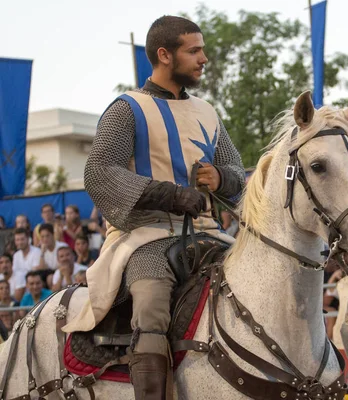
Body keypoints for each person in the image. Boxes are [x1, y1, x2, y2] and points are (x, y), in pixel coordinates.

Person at [62, 15, 245, 400]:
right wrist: (172, 195)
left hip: (210, 233)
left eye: (202, 50)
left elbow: (238, 173)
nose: (204, 58)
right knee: (150, 307)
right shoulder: (127, 108)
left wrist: (221, 178)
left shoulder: (208, 111)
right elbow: (98, 171)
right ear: (164, 55)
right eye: (193, 50)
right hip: (146, 236)